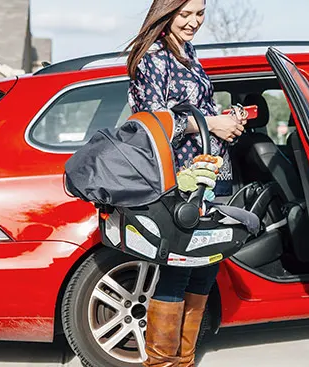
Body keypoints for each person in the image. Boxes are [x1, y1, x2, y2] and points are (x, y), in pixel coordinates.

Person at [125, 0, 247, 366]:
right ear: (166, 11)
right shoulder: (153, 56)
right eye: (186, 14)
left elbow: (196, 111)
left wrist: (226, 120)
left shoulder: (187, 52)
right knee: (177, 274)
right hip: (183, 182)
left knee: (205, 271)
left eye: (200, 14)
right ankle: (161, 362)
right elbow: (151, 122)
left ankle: (184, 359)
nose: (194, 22)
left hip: (212, 177)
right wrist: (212, 124)